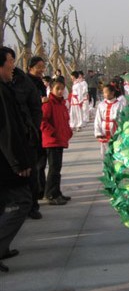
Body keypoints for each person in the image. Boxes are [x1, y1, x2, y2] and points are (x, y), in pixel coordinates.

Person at [0, 47, 33, 272]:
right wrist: (18, 163)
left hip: (7, 159)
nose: (14, 65)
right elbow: (7, 131)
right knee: (22, 201)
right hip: (6, 162)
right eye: (11, 61)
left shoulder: (7, 88)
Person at [11, 57, 45, 220]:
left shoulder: (25, 83)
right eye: (38, 67)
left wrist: (32, 128)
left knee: (32, 169)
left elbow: (36, 108)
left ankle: (32, 205)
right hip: (9, 136)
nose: (41, 70)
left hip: (27, 135)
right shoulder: (7, 84)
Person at [41, 81, 73, 205]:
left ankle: (57, 192)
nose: (60, 91)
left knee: (57, 168)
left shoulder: (62, 104)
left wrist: (68, 132)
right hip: (52, 141)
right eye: (57, 89)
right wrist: (52, 132)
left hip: (59, 140)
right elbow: (42, 121)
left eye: (62, 89)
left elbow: (65, 120)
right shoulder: (48, 104)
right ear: (51, 89)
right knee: (54, 168)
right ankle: (50, 194)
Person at [94, 84, 123, 159]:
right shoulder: (101, 105)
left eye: (106, 92)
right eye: (103, 92)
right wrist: (98, 132)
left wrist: (120, 131)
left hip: (115, 131)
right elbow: (98, 119)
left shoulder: (119, 104)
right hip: (104, 132)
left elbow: (122, 119)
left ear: (112, 92)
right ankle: (105, 169)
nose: (104, 94)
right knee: (104, 154)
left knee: (116, 151)